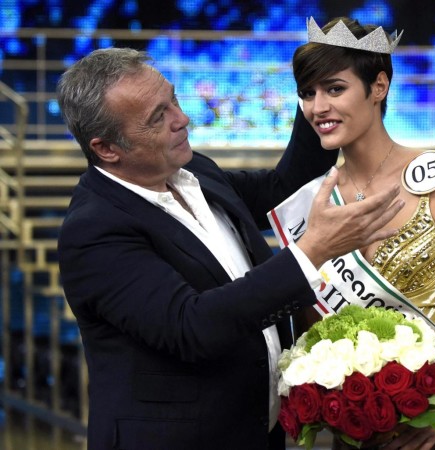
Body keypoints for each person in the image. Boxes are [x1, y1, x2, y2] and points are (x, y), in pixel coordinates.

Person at [56, 47, 404, 450]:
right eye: (158, 117)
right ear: (107, 149)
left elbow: (280, 189)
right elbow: (192, 326)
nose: (182, 119)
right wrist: (313, 251)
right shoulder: (93, 230)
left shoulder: (192, 170)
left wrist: (318, 89)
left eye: (173, 100)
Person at [271, 17, 435, 450]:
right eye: (308, 93)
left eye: (334, 89)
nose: (317, 107)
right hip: (358, 433)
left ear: (379, 87)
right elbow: (312, 339)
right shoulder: (310, 204)